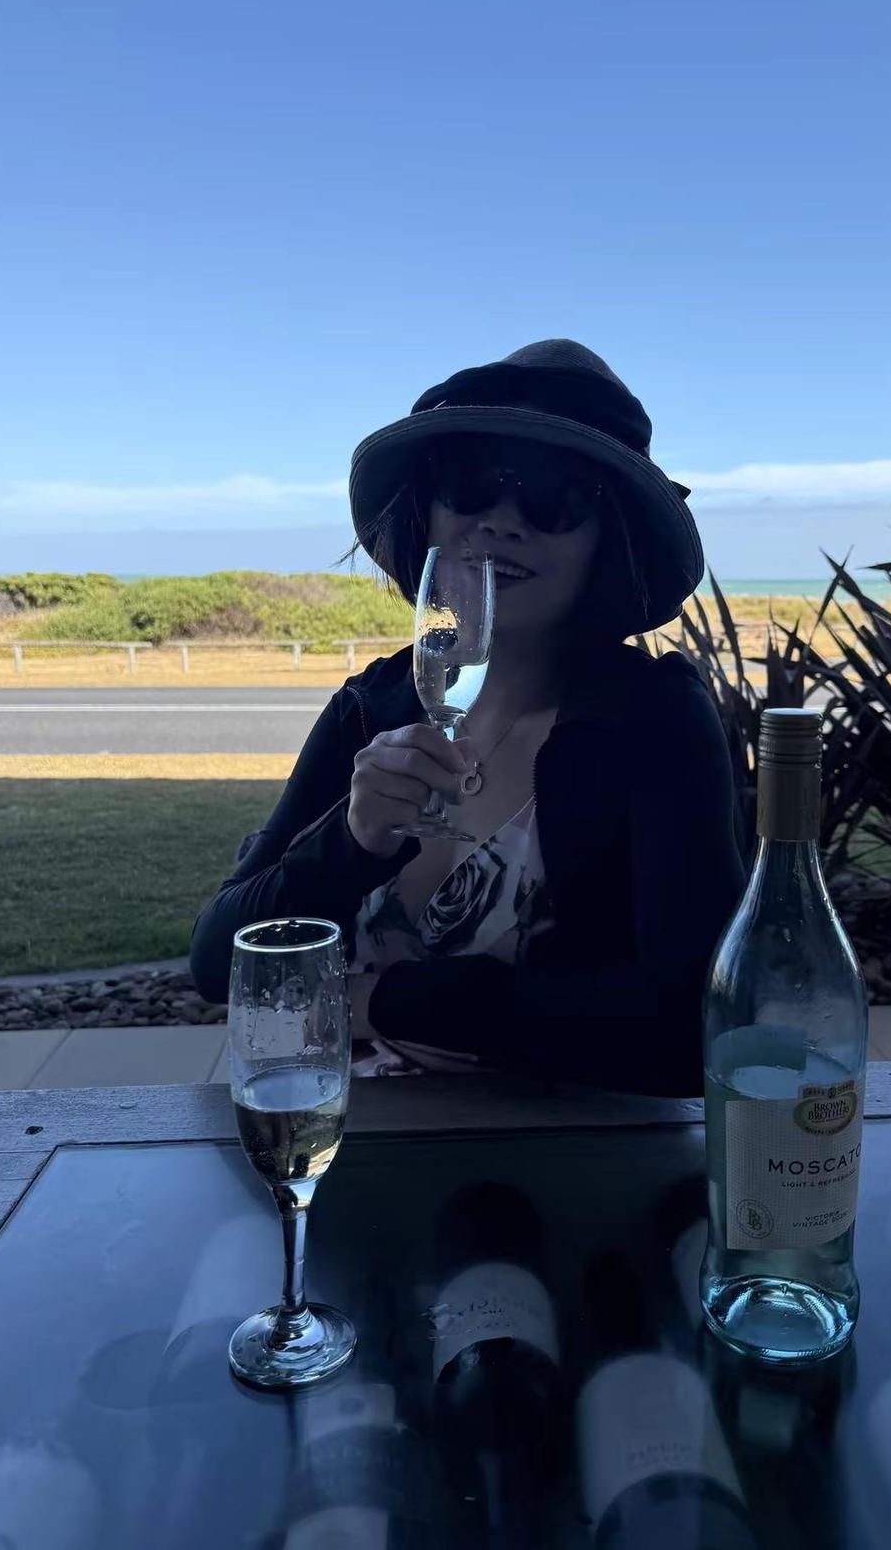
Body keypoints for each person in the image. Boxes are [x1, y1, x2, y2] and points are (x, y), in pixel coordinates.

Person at [190, 340, 743, 1094]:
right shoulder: (373, 705)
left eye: (555, 496)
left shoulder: (650, 722)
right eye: (472, 484)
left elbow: (695, 1027)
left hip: (559, 1149)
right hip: (331, 1136)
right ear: (430, 510)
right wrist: (350, 843)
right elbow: (217, 961)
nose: (504, 521)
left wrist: (382, 1002)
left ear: (608, 537)